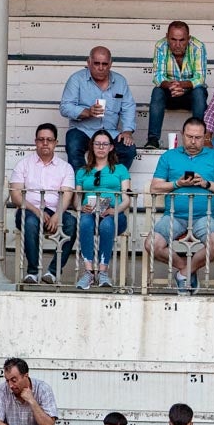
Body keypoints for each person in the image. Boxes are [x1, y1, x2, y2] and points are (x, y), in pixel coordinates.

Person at [150, 117, 214, 294]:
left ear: (205, 137)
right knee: (151, 244)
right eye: (189, 137)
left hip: (204, 216)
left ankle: (184, 273)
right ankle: (186, 271)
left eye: (198, 137)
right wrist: (177, 184)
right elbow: (155, 187)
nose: (193, 141)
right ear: (182, 135)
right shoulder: (169, 156)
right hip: (173, 215)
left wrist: (206, 184)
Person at [10, 123, 77, 285]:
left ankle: (52, 273)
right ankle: (33, 272)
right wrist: (37, 210)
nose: (45, 143)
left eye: (49, 140)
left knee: (72, 223)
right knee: (31, 221)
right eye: (41, 139)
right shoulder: (24, 164)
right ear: (35, 142)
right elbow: (15, 195)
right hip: (29, 209)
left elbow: (67, 195)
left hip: (56, 210)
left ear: (55, 142)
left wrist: (57, 215)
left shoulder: (65, 168)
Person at [60, 46, 138, 171]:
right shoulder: (76, 79)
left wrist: (127, 131)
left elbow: (128, 107)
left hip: (110, 132)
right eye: (96, 63)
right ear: (89, 62)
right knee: (73, 146)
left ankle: (111, 181)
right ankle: (81, 185)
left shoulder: (120, 81)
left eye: (105, 64)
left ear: (111, 64)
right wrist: (86, 112)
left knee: (129, 149)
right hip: (82, 130)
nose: (101, 68)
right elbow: (65, 107)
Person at [74, 129, 133, 290]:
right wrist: (81, 207)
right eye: (97, 144)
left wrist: (116, 210)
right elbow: (76, 199)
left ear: (111, 147)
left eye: (105, 144)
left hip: (115, 213)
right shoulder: (82, 171)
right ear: (92, 147)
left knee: (107, 224)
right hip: (90, 212)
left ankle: (103, 271)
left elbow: (126, 198)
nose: (101, 147)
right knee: (85, 221)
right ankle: (88, 272)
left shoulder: (120, 169)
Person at [147, 21, 208, 150]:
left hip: (190, 94)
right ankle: (153, 140)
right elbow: (158, 76)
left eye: (182, 40)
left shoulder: (198, 47)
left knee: (199, 92)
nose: (177, 45)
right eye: (173, 39)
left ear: (189, 39)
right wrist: (172, 87)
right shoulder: (160, 46)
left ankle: (196, 138)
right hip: (169, 92)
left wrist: (181, 86)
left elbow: (200, 78)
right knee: (157, 92)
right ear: (167, 37)